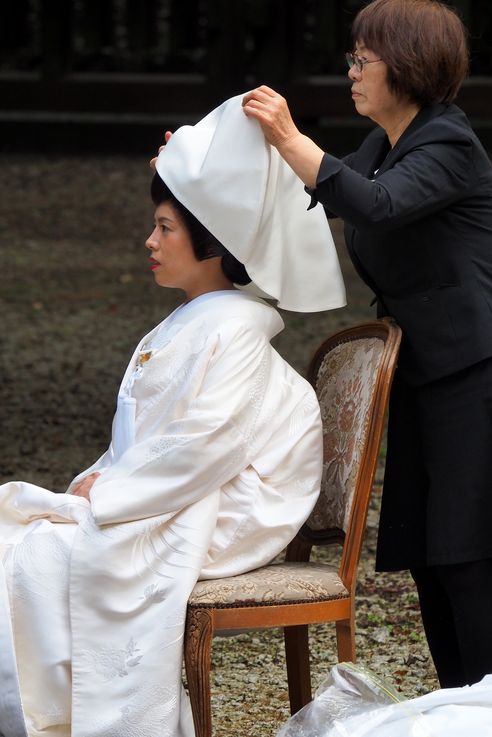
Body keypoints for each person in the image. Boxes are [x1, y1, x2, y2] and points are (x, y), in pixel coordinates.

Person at [0, 96, 345, 737]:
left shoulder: (236, 327)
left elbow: (207, 443)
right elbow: (150, 438)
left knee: (40, 556)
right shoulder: (189, 321)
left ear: (213, 241)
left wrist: (114, 493)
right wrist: (102, 482)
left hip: (229, 510)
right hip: (183, 496)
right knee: (13, 543)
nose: (150, 241)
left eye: (165, 227)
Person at [243, 0, 492, 689]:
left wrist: (292, 135)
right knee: (431, 554)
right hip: (422, 373)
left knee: (469, 556)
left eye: (361, 59)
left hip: (475, 373)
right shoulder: (382, 147)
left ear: (406, 64)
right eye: (351, 57)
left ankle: (482, 707)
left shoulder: (448, 142)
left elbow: (374, 204)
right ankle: (459, 707)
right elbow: (313, 194)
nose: (350, 71)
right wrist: (199, 171)